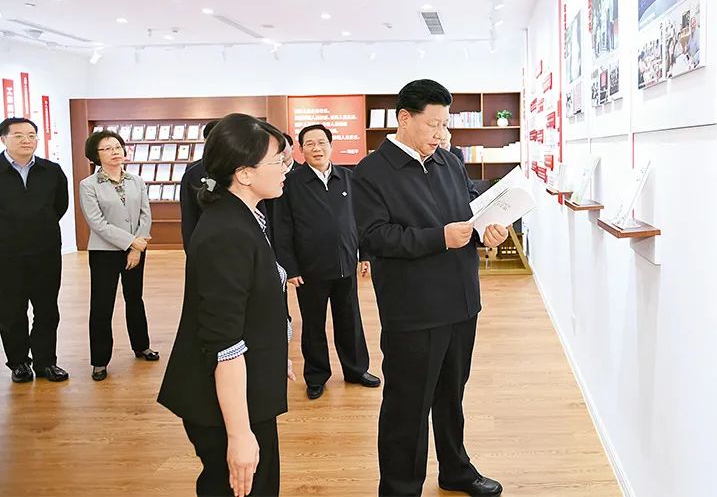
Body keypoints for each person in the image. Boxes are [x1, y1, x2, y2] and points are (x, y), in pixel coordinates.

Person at [352, 79, 509, 497]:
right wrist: (439, 237)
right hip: (414, 311)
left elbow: (469, 214)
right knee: (407, 406)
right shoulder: (370, 172)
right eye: (433, 124)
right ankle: (401, 488)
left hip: (461, 303)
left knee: (452, 396)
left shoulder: (450, 162)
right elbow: (375, 237)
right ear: (404, 119)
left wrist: (486, 232)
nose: (441, 134)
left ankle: (456, 470)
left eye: (445, 125)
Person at [158, 113, 293, 497]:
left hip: (250, 387)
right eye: (278, 161)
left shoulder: (244, 217)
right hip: (228, 404)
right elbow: (225, 344)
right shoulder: (227, 234)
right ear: (245, 173)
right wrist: (240, 435)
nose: (286, 169)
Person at [275, 124, 380, 400]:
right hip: (310, 269)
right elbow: (282, 229)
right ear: (301, 149)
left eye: (322, 142)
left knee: (350, 320)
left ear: (331, 146)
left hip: (346, 264)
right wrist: (290, 267)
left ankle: (356, 370)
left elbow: (361, 219)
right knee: (313, 325)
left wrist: (365, 254)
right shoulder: (291, 184)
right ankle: (316, 376)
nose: (317, 148)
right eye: (310, 144)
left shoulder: (348, 178)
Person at [79, 130, 157, 381]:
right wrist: (130, 242)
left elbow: (145, 214)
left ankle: (142, 346)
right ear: (96, 155)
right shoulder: (88, 185)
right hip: (104, 252)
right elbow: (97, 223)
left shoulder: (137, 180)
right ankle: (100, 361)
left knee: (135, 298)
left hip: (137, 249)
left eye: (118, 147)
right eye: (108, 148)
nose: (115, 152)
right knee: (102, 305)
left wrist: (136, 247)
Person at [0, 117, 69, 383]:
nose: (26, 140)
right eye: (18, 135)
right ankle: (19, 363)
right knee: (11, 311)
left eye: (31, 135)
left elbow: (59, 206)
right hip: (6, 254)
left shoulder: (51, 171)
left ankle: (46, 362)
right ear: (4, 139)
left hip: (45, 251)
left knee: (47, 309)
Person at [179, 120, 219, 249]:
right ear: (205, 141)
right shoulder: (193, 171)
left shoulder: (239, 170)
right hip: (204, 237)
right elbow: (189, 214)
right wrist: (190, 248)